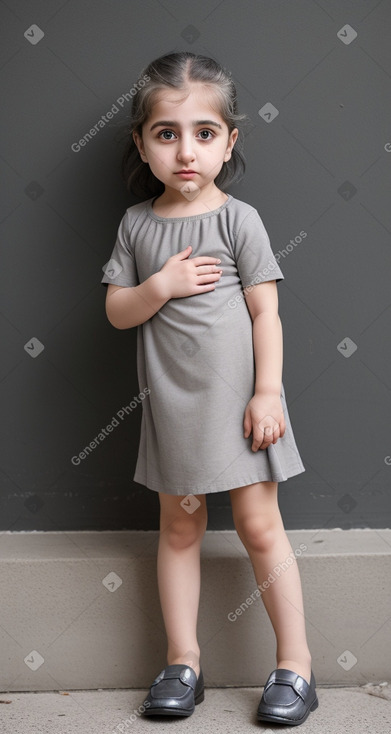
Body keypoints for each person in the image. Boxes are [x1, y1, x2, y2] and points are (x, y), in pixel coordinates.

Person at [101, 51, 318, 726]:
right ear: (141, 142)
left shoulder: (237, 220)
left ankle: (296, 666)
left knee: (258, 527)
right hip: (173, 408)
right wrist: (158, 286)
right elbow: (116, 311)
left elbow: (264, 312)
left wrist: (267, 391)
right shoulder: (138, 225)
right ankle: (182, 660)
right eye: (167, 134)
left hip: (242, 407)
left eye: (203, 133)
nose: (185, 151)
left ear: (229, 142)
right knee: (179, 526)